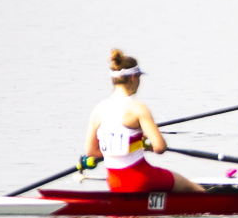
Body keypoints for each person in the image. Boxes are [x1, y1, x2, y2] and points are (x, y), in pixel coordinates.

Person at [85, 49, 203, 193]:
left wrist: (133, 144)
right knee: (192, 188)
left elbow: (91, 151)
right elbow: (160, 147)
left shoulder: (98, 110)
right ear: (134, 77)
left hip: (114, 183)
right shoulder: (138, 108)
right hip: (141, 178)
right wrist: (145, 142)